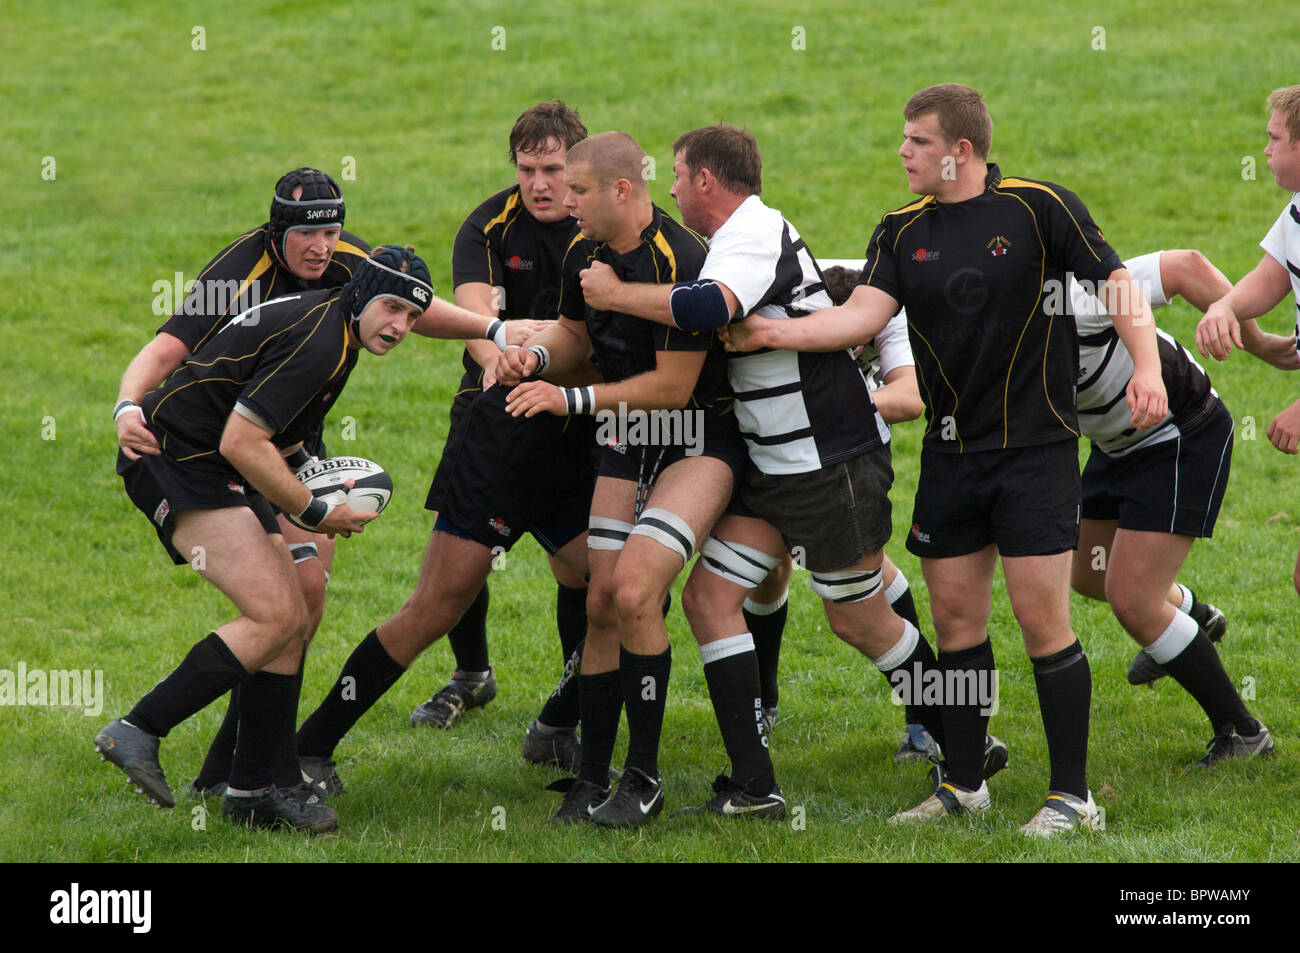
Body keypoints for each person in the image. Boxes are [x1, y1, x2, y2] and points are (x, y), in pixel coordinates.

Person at [723, 85, 1167, 836]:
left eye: (918, 142)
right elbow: (865, 314)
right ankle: (963, 782)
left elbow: (1117, 284)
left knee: (1041, 621)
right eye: (904, 139)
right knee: (957, 619)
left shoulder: (1038, 207)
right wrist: (771, 336)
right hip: (952, 453)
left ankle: (1072, 798)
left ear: (960, 152)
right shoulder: (899, 231)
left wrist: (1147, 368)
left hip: (1035, 450)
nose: (903, 152)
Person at [114, 169, 542, 797]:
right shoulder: (245, 277)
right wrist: (127, 405)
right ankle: (162, 738)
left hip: (271, 433)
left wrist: (494, 330)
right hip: (209, 445)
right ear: (276, 233)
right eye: (307, 234)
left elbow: (403, 303)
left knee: (301, 599)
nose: (321, 247)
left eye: (332, 232)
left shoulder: (352, 284)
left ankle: (246, 776)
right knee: (274, 612)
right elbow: (171, 355)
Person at [576, 125, 959, 817]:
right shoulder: (732, 241)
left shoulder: (753, 231)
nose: (670, 186)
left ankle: (966, 735)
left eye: (680, 173)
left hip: (826, 461)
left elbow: (704, 307)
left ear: (707, 182)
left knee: (859, 620)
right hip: (773, 466)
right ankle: (756, 786)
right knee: (707, 598)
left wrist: (612, 295)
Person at [98, 246, 452, 832]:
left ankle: (252, 788)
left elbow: (274, 435)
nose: (400, 326)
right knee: (273, 615)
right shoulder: (322, 344)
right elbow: (242, 441)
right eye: (392, 308)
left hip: (213, 461)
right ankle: (138, 730)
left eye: (413, 318)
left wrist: (312, 484)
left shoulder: (338, 331)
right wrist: (314, 509)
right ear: (361, 294)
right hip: (178, 459)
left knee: (291, 614)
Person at [497, 130, 762, 826]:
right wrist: (533, 359)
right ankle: (592, 777)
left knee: (639, 590)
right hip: (625, 436)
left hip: (698, 437)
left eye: (578, 190)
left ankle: (643, 777)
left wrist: (570, 398)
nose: (564, 200)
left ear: (622, 190)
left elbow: (674, 389)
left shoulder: (684, 259)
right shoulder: (583, 251)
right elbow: (573, 335)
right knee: (602, 602)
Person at [410, 103, 596, 760]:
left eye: (553, 169)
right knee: (467, 549)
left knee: (578, 568)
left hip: (581, 406)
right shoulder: (488, 225)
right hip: (499, 401)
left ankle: (569, 712)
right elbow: (475, 317)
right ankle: (471, 675)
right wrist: (501, 364)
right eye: (527, 169)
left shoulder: (599, 220)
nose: (540, 184)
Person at [1068, 249, 1272, 765]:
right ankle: (1191, 615)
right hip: (1116, 445)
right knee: (1089, 576)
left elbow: (1187, 267)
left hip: (1182, 431)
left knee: (1132, 598)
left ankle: (1242, 730)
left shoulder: (1077, 295)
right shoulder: (981, 321)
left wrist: (1256, 340)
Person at [1194, 84, 1300, 591]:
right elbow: (1271, 276)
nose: (1266, 151)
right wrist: (1226, 306)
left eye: (1275, 139)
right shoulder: (1297, 212)